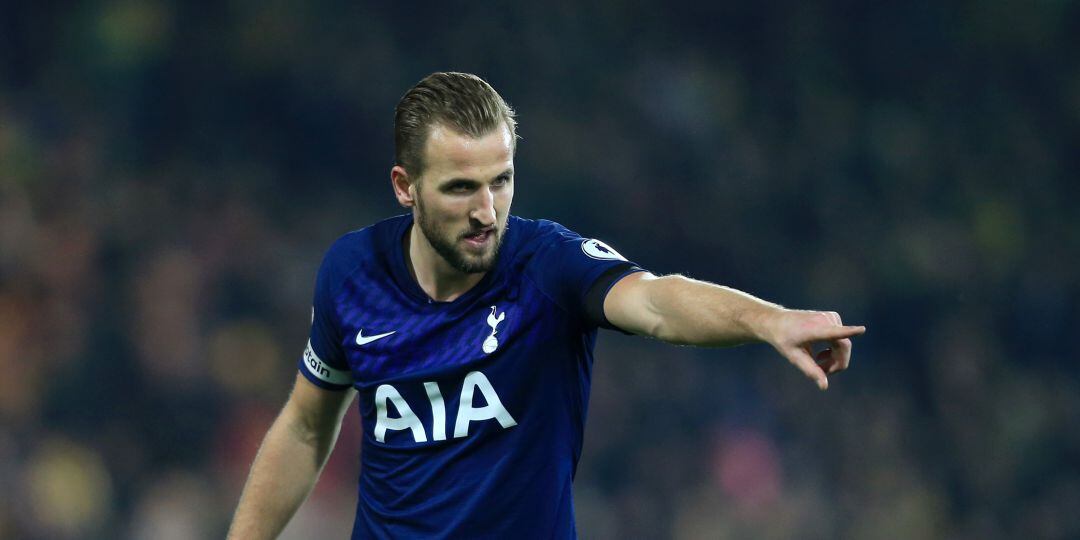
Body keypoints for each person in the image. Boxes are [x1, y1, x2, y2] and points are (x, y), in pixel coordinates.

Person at [227, 72, 866, 539]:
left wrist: (769, 321)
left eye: (500, 181)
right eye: (459, 188)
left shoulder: (546, 265)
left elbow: (658, 304)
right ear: (405, 187)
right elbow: (309, 426)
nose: (486, 211)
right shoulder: (350, 272)